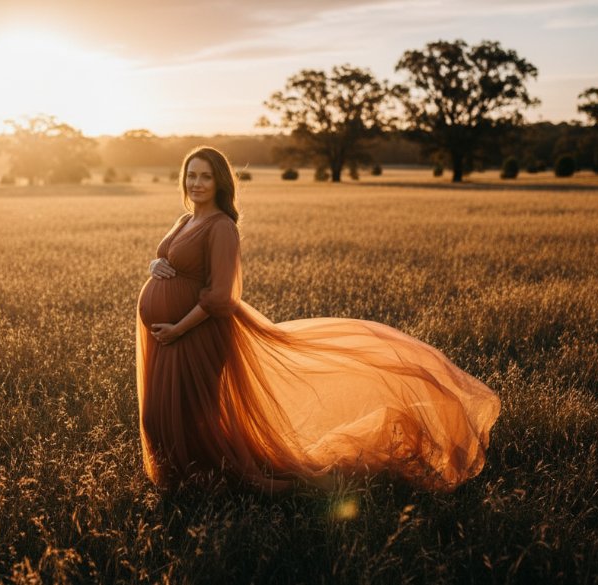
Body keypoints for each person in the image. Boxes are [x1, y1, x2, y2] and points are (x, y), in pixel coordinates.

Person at [136, 146, 500, 493]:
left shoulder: (221, 227)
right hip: (168, 334)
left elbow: (221, 297)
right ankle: (187, 479)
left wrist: (178, 328)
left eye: (205, 177)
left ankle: (218, 481)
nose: (196, 183)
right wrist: (156, 264)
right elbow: (170, 258)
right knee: (162, 413)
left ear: (221, 183)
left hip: (196, 334)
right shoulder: (187, 219)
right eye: (191, 175)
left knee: (189, 413)